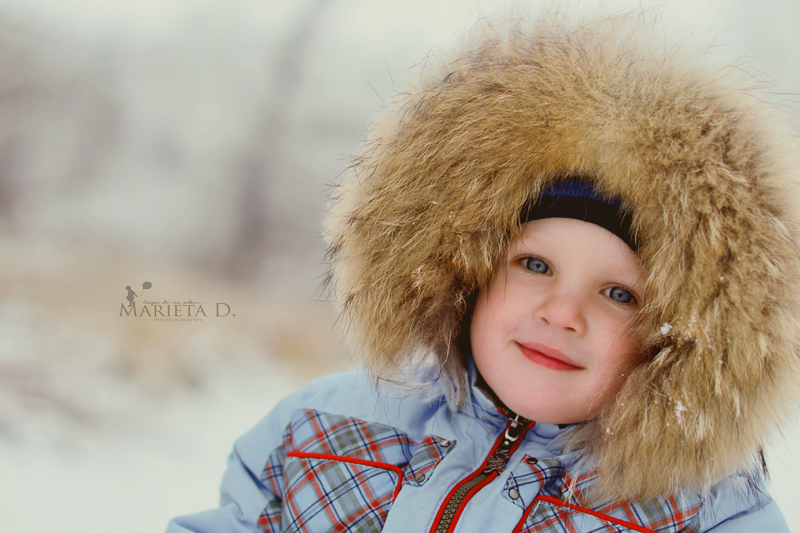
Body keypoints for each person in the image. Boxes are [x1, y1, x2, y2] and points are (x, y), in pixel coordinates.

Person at [166, 13, 799, 533]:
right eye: (535, 264)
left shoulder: (703, 514)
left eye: (618, 293)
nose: (562, 313)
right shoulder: (322, 431)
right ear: (466, 274)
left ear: (678, 341)